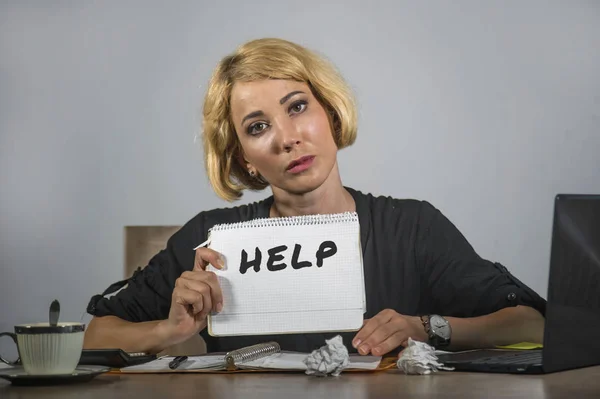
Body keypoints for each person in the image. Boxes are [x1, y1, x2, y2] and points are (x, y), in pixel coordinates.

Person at [84, 38, 546, 357]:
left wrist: (427, 327)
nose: (287, 138)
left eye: (298, 106)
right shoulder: (211, 242)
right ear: (244, 158)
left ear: (329, 112)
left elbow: (533, 323)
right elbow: (95, 337)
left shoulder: (412, 228)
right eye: (258, 127)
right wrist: (169, 330)